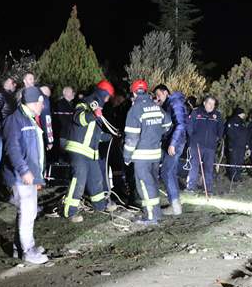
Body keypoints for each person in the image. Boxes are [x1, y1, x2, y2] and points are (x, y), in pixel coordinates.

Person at [3, 86, 48, 264]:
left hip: (28, 175)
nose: (43, 106)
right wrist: (24, 171)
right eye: (41, 103)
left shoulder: (29, 119)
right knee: (28, 213)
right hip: (20, 176)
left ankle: (19, 247)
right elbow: (12, 149)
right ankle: (28, 251)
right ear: (33, 102)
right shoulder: (15, 121)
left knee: (27, 212)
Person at [62, 81, 114, 223]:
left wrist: (112, 136)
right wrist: (93, 115)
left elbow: (96, 135)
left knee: (96, 179)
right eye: (108, 96)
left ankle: (100, 206)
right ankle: (70, 212)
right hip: (79, 150)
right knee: (79, 179)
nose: (108, 100)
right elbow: (78, 119)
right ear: (103, 93)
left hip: (91, 152)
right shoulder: (84, 103)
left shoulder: (98, 111)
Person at [124, 80, 171, 224]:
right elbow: (168, 124)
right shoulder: (156, 106)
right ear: (146, 91)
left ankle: (151, 217)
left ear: (133, 92)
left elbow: (132, 138)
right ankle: (154, 213)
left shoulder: (135, 110)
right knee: (152, 184)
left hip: (141, 156)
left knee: (144, 185)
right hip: (155, 154)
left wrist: (127, 156)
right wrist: (155, 134)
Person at [153, 84, 187, 215]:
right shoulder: (168, 103)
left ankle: (175, 205)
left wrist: (172, 143)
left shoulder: (175, 103)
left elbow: (180, 124)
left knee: (166, 172)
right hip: (171, 141)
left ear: (166, 92)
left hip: (176, 142)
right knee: (170, 172)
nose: (157, 97)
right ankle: (176, 204)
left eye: (158, 94)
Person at [186, 95, 224, 195]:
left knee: (209, 168)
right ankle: (191, 187)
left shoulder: (217, 115)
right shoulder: (196, 112)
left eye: (213, 104)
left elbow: (220, 129)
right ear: (204, 103)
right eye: (209, 103)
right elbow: (189, 125)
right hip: (196, 145)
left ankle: (208, 189)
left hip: (210, 147)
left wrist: (217, 138)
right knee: (194, 166)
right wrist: (193, 137)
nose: (211, 106)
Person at [0, 77, 17, 169]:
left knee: (4, 154)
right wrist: (1, 126)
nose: (15, 85)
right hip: (1, 129)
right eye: (13, 83)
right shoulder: (0, 94)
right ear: (7, 83)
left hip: (8, 128)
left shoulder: (10, 96)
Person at [224, 107, 249, 182]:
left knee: (240, 161)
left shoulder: (243, 123)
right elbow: (229, 133)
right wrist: (233, 142)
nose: (244, 115)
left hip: (242, 146)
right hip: (234, 145)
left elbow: (246, 134)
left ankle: (238, 176)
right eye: (243, 113)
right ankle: (233, 177)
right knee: (233, 161)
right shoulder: (231, 121)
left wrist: (246, 144)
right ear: (239, 114)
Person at [54, 86, 76, 153]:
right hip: (64, 135)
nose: (73, 94)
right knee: (64, 156)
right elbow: (63, 120)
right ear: (66, 93)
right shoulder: (61, 104)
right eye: (72, 92)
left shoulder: (70, 104)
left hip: (68, 135)